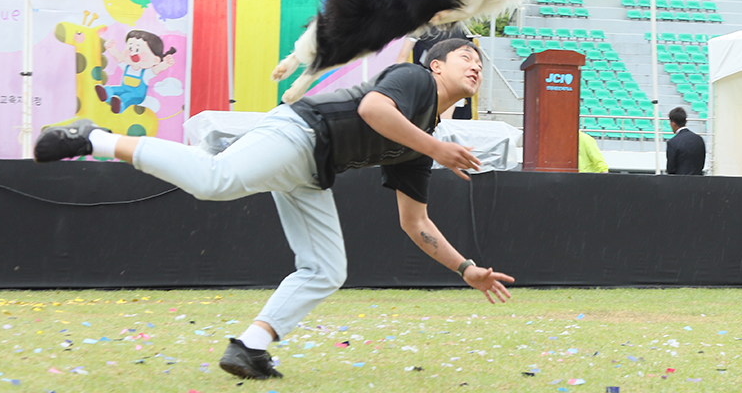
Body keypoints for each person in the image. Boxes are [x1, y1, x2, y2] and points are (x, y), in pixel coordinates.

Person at [33, 38, 513, 381]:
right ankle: (93, 136)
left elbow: (416, 222)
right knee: (214, 180)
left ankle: (250, 347)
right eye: (465, 56)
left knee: (326, 270)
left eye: (480, 60)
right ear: (435, 66)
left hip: (311, 170)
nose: (476, 66)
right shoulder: (413, 82)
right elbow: (372, 111)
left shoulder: (419, 144)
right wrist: (436, 148)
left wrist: (466, 268)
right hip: (297, 132)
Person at [396, 24, 475, 119]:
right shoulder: (455, 24)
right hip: (457, 71)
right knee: (446, 117)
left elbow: (403, 55)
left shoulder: (420, 25)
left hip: (436, 75)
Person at [665, 107, 706, 175]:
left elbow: (671, 169)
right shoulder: (699, 139)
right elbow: (701, 164)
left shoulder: (673, 142)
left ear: (673, 123)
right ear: (686, 121)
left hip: (680, 182)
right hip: (698, 182)